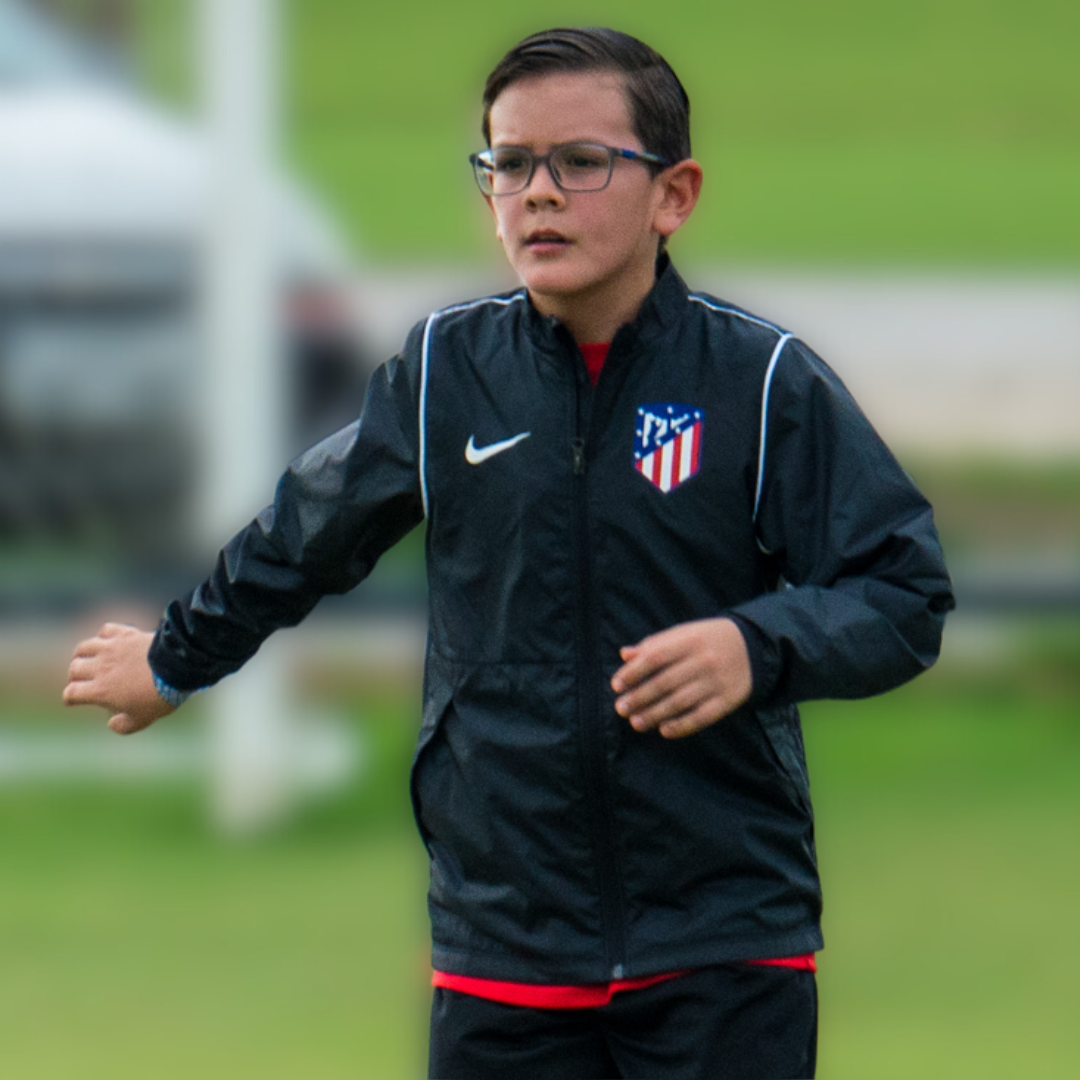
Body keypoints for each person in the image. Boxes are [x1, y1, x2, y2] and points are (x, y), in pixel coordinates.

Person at [63, 27, 954, 1080]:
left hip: (721, 942)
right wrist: (176, 659)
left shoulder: (762, 383)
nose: (538, 192)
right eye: (509, 163)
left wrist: (756, 646)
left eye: (581, 163)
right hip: (507, 944)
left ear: (674, 195)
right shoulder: (445, 375)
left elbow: (903, 593)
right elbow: (305, 535)